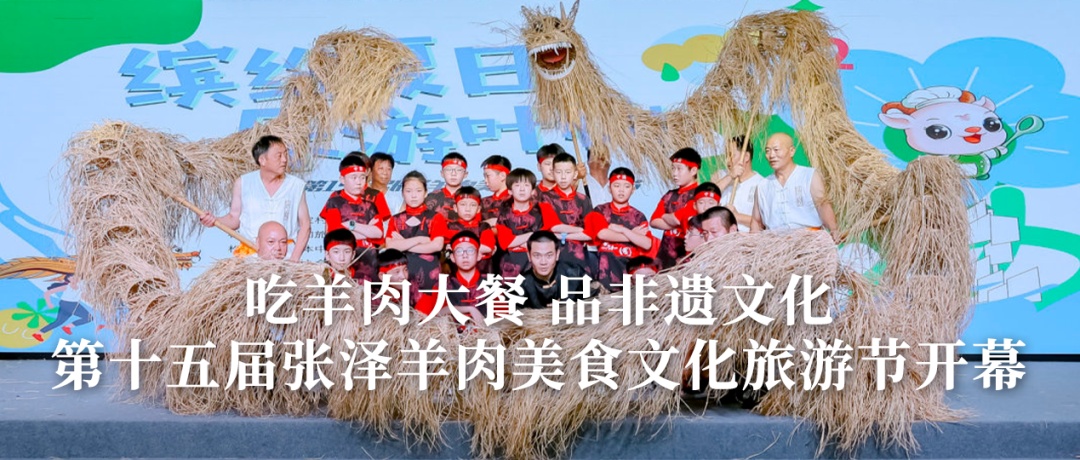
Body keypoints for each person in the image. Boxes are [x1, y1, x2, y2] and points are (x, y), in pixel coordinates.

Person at [200, 135, 310, 261]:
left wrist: (294, 258)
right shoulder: (243, 183)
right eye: (279, 156)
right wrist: (214, 220)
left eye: (285, 154)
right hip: (250, 258)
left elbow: (305, 225)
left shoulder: (296, 186)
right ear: (262, 160)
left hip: (285, 259)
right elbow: (234, 218)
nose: (284, 160)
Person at [319, 152, 391, 282]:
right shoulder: (334, 202)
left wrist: (352, 225)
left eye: (362, 177)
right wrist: (367, 231)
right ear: (342, 179)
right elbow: (336, 234)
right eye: (354, 177)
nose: (359, 182)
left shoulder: (370, 205)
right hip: (342, 265)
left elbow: (378, 234)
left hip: (370, 264)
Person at [751, 133, 838, 237]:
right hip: (776, 243)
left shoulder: (809, 176)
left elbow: (823, 205)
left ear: (791, 151)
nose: (771, 155)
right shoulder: (762, 185)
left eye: (776, 150)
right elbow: (756, 221)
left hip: (809, 240)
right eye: (767, 151)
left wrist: (834, 229)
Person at [583, 168, 654, 291]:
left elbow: (647, 243)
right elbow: (602, 234)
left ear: (633, 189)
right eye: (616, 186)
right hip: (605, 268)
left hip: (629, 268)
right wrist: (632, 235)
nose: (621, 190)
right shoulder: (600, 210)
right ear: (609, 188)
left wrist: (623, 230)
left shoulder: (638, 216)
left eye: (626, 186)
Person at [495, 169, 561, 279]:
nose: (522, 189)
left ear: (533, 191)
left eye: (526, 185)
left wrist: (519, 241)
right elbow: (506, 242)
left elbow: (548, 233)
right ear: (510, 191)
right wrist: (532, 234)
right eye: (517, 185)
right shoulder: (504, 214)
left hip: (539, 262)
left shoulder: (543, 209)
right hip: (512, 263)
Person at [385, 171, 446, 290]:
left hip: (429, 274)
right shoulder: (396, 219)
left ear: (425, 193)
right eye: (408, 191)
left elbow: (437, 246)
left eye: (418, 191)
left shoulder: (435, 217)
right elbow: (390, 246)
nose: (413, 195)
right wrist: (420, 240)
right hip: (401, 276)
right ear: (402, 193)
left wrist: (404, 244)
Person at [414, 231, 486, 324]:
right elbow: (419, 315)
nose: (465, 255)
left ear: (479, 255)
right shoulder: (443, 285)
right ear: (452, 257)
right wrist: (468, 309)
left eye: (470, 250)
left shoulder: (491, 283)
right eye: (459, 251)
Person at [539, 153, 593, 273]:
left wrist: (563, 235)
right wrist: (580, 230)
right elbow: (553, 227)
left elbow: (590, 233)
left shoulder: (583, 199)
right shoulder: (545, 197)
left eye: (568, 172)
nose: (563, 177)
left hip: (580, 257)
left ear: (575, 174)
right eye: (559, 172)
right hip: (554, 255)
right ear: (553, 173)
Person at [649, 148, 701, 269]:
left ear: (693, 170)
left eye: (679, 169)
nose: (674, 173)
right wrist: (676, 221)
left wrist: (664, 216)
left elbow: (680, 219)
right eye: (673, 168)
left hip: (688, 259)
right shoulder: (669, 195)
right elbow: (654, 221)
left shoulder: (699, 195)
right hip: (664, 258)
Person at [520, 231, 594, 309]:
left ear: (557, 254)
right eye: (537, 256)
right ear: (529, 256)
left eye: (549, 255)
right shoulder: (521, 285)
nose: (543, 262)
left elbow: (595, 304)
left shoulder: (576, 274)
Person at [430, 186, 496, 273]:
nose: (467, 209)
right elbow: (445, 252)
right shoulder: (449, 227)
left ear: (478, 209)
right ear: (455, 208)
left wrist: (456, 248)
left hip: (483, 271)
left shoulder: (483, 226)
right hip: (455, 272)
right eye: (463, 204)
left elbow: (488, 247)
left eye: (473, 205)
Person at [715, 136, 765, 232]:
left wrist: (737, 216)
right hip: (720, 238)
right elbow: (707, 196)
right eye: (726, 155)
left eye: (731, 155)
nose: (727, 160)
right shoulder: (722, 176)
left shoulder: (761, 184)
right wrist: (730, 176)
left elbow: (764, 223)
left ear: (746, 157)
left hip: (746, 238)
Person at [32, 275, 93, 342]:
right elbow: (47, 293)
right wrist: (49, 304)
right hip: (67, 304)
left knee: (58, 322)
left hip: (72, 304)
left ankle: (38, 333)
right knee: (89, 317)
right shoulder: (66, 287)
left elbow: (83, 296)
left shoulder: (81, 287)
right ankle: (68, 327)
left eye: (76, 277)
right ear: (68, 279)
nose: (75, 279)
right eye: (72, 278)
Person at [425, 151, 468, 221]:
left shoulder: (472, 197)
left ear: (465, 174)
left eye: (458, 170)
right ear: (442, 173)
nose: (453, 173)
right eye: (448, 169)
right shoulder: (431, 197)